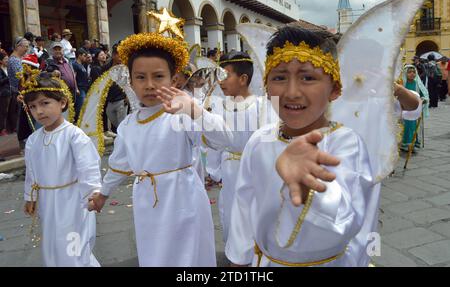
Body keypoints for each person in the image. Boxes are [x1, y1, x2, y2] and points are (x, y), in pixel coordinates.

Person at [225, 25, 375, 267]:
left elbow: (348, 218)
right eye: (279, 78)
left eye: (308, 77)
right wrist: (239, 259)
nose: (292, 92)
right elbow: (244, 204)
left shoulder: (346, 143)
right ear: (266, 86)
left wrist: (305, 187)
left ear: (334, 88)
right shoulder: (259, 140)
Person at [89, 29, 237, 266]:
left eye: (158, 77)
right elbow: (118, 164)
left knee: (188, 255)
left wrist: (194, 110)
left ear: (173, 80)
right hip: (146, 199)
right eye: (140, 77)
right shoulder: (128, 125)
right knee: (154, 254)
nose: (149, 85)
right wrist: (103, 193)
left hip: (183, 198)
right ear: (130, 79)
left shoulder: (180, 114)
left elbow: (225, 139)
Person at [20, 68, 101, 266]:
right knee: (53, 244)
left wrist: (94, 193)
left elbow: (88, 167)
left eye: (45, 103)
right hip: (47, 201)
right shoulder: (33, 140)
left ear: (62, 102)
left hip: (73, 201)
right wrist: (30, 197)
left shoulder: (74, 135)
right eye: (33, 106)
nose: (39, 111)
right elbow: (31, 172)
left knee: (74, 246)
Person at [209, 51, 277, 246]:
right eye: (218, 76)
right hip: (229, 170)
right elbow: (215, 143)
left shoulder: (263, 105)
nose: (220, 81)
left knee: (252, 210)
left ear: (243, 78)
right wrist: (213, 171)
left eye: (225, 75)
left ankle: (255, 250)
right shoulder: (219, 107)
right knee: (230, 210)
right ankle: (234, 250)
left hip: (254, 170)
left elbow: (269, 140)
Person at [7, 37, 29, 136]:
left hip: (20, 92)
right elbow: (20, 78)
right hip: (18, 93)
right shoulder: (14, 60)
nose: (27, 49)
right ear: (18, 46)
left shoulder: (18, 59)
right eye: (25, 46)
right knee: (20, 120)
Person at [73, 48, 90, 122]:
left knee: (84, 106)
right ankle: (77, 121)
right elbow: (74, 77)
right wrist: (76, 88)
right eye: (84, 55)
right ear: (79, 56)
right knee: (80, 106)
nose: (85, 57)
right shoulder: (75, 65)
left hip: (85, 88)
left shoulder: (82, 65)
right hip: (80, 88)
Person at [0, 51, 10, 136]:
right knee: (3, 112)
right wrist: (8, 78)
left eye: (8, 58)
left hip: (10, 93)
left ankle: (8, 128)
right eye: (5, 59)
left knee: (9, 111)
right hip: (3, 94)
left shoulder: (8, 69)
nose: (7, 60)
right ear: (1, 61)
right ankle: (2, 129)